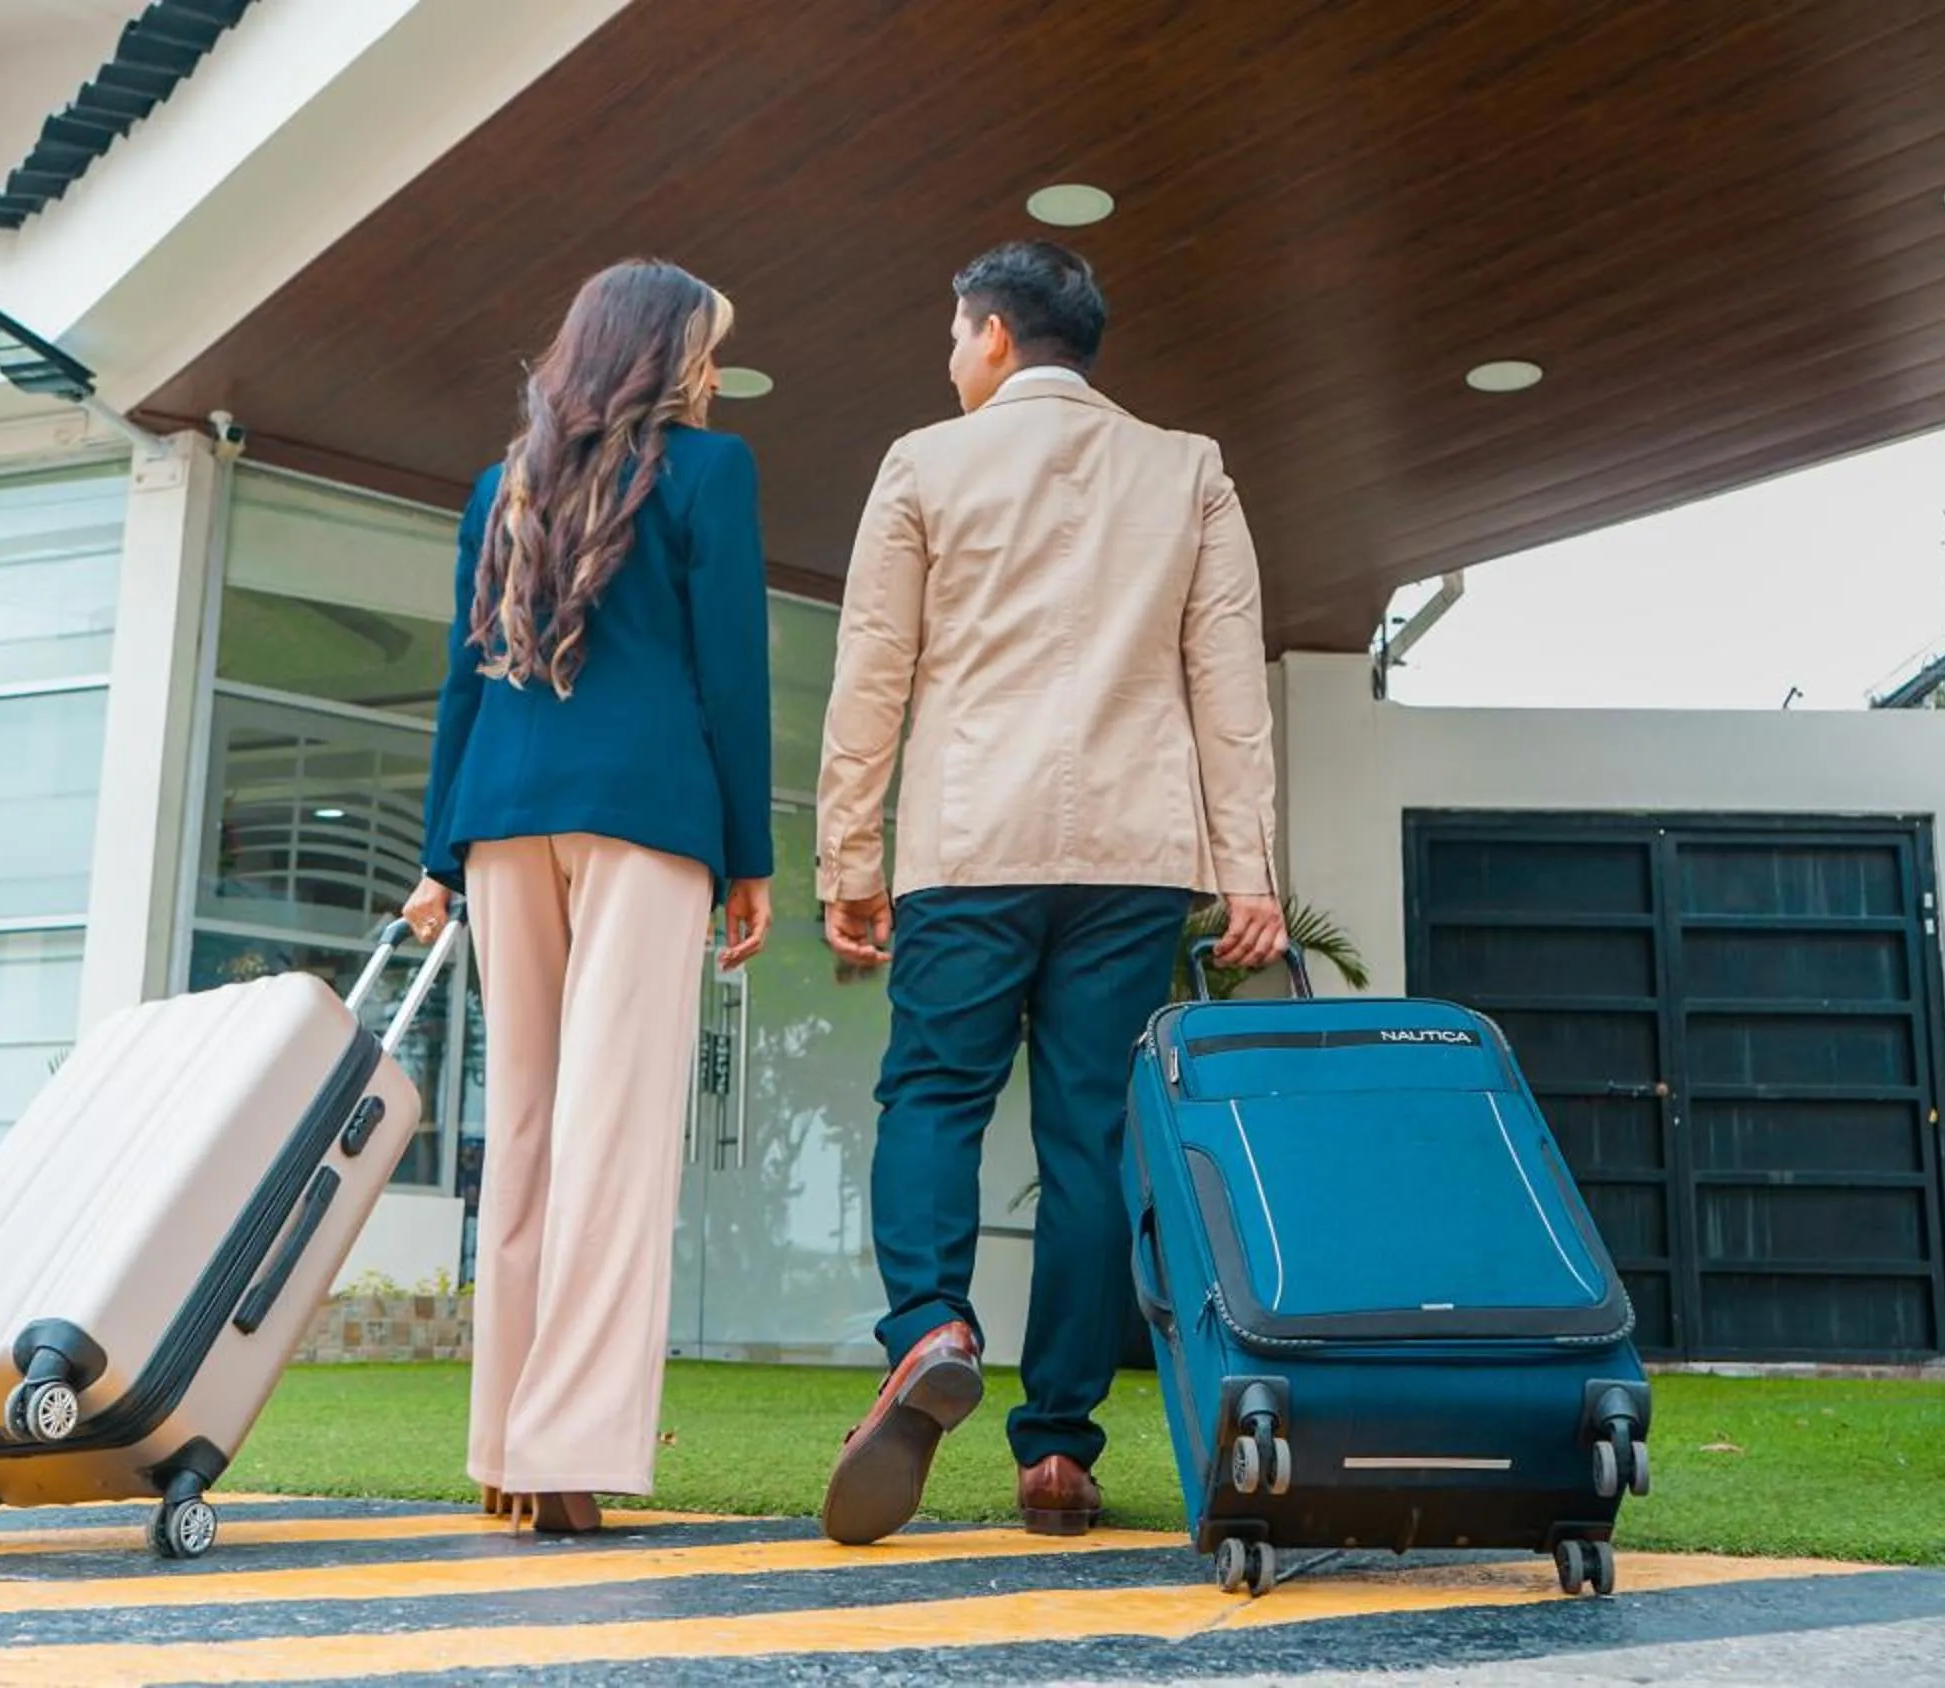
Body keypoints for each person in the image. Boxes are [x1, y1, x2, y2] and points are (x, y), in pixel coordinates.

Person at [813, 241, 1286, 1545]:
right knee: (1091, 1141)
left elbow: (873, 666)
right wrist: (1248, 868)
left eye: (954, 335)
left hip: (972, 839)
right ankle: (1061, 1449)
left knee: (933, 1095)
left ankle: (930, 1326)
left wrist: (848, 857)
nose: (948, 358)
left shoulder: (925, 462)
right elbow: (1228, 678)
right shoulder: (1187, 468)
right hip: (1134, 854)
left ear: (995, 335)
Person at [401, 259, 774, 1535]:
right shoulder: (710, 471)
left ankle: (509, 1441)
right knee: (614, 1132)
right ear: (665, 354)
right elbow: (733, 670)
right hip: (649, 815)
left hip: (502, 818)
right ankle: (564, 1443)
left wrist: (438, 854)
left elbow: (465, 675)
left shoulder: (500, 483)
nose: (712, 373)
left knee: (524, 1128)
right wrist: (749, 854)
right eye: (706, 348)